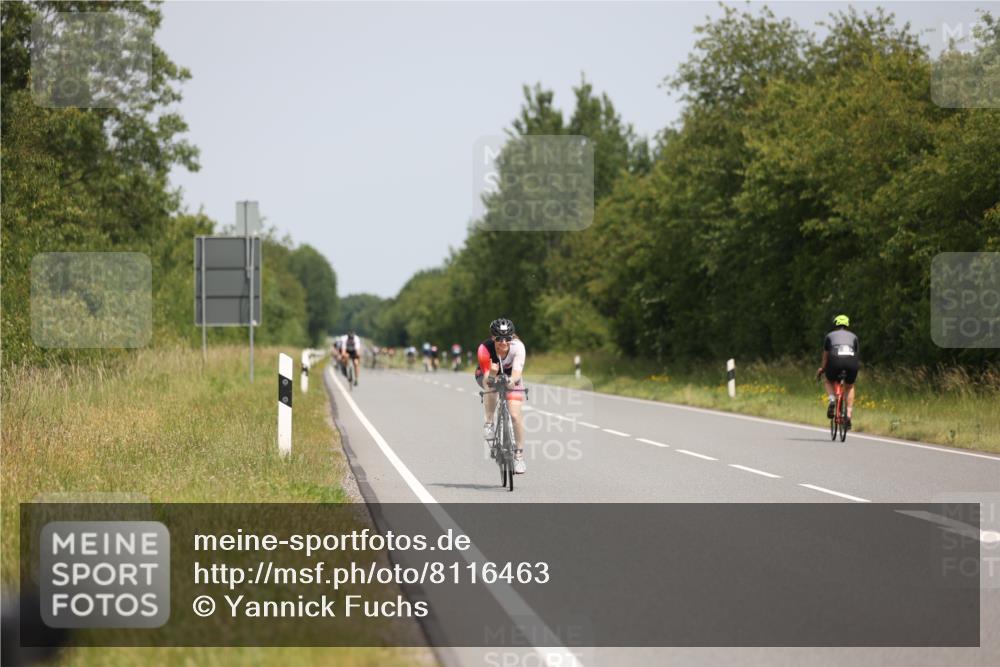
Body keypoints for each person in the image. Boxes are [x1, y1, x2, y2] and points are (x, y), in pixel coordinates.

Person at [475, 318, 527, 474]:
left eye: (507, 338)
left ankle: (519, 456)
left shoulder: (518, 348)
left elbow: (517, 373)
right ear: (492, 338)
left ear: (512, 338)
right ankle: (489, 423)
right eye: (499, 338)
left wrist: (511, 381)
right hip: (488, 374)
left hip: (511, 376)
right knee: (491, 387)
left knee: (515, 415)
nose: (503, 342)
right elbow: (486, 380)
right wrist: (492, 373)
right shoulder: (485, 349)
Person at [816, 314, 860, 429]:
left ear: (835, 324)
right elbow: (856, 354)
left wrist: (822, 369)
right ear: (847, 325)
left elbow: (826, 357)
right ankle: (849, 415)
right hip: (851, 362)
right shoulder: (854, 336)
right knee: (849, 386)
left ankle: (832, 399)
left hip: (835, 362)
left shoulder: (829, 336)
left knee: (828, 381)